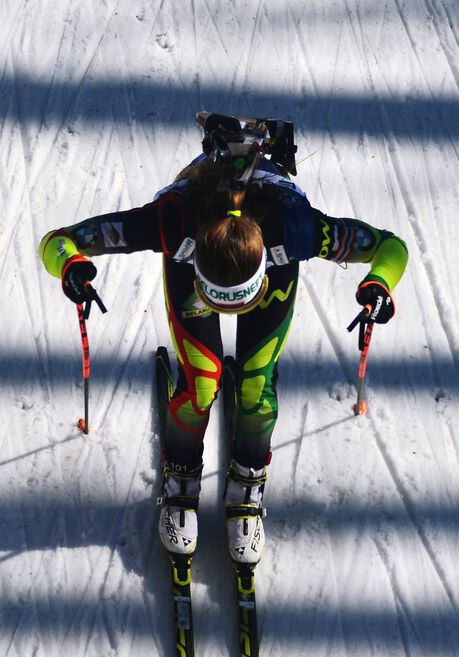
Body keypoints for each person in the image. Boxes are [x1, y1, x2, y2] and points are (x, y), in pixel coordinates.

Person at [37, 119, 408, 564]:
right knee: (202, 383)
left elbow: (391, 246)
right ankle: (182, 479)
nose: (230, 314)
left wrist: (380, 283)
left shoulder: (296, 229)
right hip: (208, 256)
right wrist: (71, 263)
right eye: (223, 302)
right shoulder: (172, 221)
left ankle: (245, 485)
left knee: (255, 386)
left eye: (236, 303)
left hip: (257, 258)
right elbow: (59, 241)